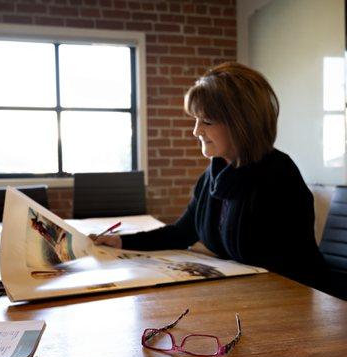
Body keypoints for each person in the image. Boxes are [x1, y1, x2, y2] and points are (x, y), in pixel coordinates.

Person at [90, 62, 328, 291]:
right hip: (246, 295)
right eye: (195, 119)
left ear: (241, 125)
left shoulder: (279, 176)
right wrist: (123, 242)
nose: (196, 131)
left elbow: (292, 269)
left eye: (206, 121)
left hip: (298, 300)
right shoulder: (215, 172)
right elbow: (183, 232)